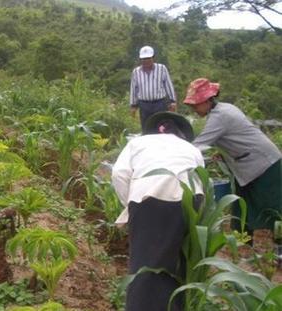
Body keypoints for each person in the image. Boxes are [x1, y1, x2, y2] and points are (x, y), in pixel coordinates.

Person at [112, 112, 204, 311]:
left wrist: (130, 204)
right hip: (190, 201)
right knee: (179, 262)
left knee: (144, 264)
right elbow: (203, 180)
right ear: (180, 133)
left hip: (148, 198)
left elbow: (119, 173)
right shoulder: (191, 148)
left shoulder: (138, 143)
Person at [183, 78, 282, 235]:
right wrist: (223, 152)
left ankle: (279, 251)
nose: (194, 109)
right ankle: (246, 246)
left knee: (274, 210)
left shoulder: (220, 117)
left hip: (264, 164)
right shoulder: (224, 108)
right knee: (243, 210)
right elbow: (236, 136)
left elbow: (198, 145)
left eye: (195, 104)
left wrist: (176, 151)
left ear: (208, 100)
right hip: (248, 167)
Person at [129, 45, 177, 129]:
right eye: (144, 59)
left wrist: (172, 101)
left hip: (160, 103)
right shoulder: (136, 72)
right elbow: (134, 89)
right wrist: (133, 106)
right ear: (141, 60)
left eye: (148, 58)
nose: (146, 61)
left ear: (153, 58)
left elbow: (168, 85)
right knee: (146, 127)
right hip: (144, 105)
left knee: (162, 127)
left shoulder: (162, 68)